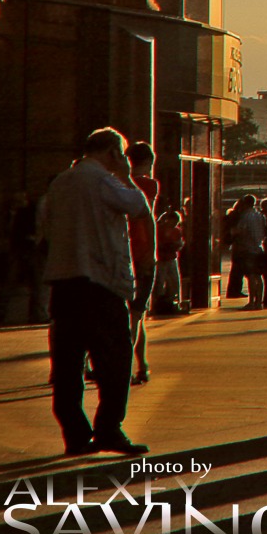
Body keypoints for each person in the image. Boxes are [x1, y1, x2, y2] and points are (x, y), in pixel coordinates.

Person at [41, 127, 152, 456]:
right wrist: (127, 176)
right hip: (99, 283)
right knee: (115, 360)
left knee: (68, 364)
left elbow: (44, 223)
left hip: (63, 282)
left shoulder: (61, 182)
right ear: (113, 153)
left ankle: (75, 434)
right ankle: (108, 429)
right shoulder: (104, 181)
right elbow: (137, 206)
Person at [125, 142, 159, 385]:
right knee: (137, 315)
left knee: (128, 315)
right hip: (144, 253)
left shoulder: (118, 184)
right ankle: (140, 365)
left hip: (124, 253)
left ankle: (133, 365)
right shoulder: (149, 185)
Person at [230, 193, 266, 310]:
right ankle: (259, 301)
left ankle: (251, 301)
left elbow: (240, 231)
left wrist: (231, 232)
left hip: (247, 248)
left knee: (250, 276)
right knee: (258, 277)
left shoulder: (245, 216)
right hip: (259, 248)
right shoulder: (260, 215)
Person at [153, 210, 185, 315]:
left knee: (175, 281)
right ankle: (158, 303)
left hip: (171, 258)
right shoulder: (160, 230)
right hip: (162, 259)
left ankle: (175, 301)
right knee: (160, 281)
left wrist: (175, 245)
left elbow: (179, 244)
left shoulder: (177, 231)